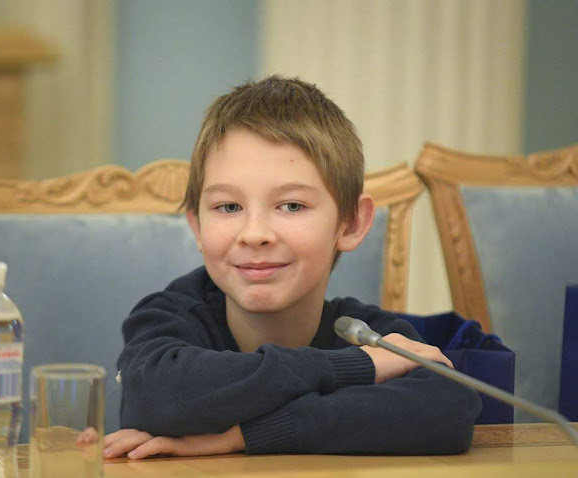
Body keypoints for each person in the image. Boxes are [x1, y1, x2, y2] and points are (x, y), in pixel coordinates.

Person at [103, 76, 481, 459]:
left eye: (292, 206)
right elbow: (153, 398)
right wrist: (353, 368)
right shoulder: (167, 317)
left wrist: (244, 437)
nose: (255, 234)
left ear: (351, 223)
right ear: (197, 225)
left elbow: (449, 408)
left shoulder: (365, 334)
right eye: (228, 207)